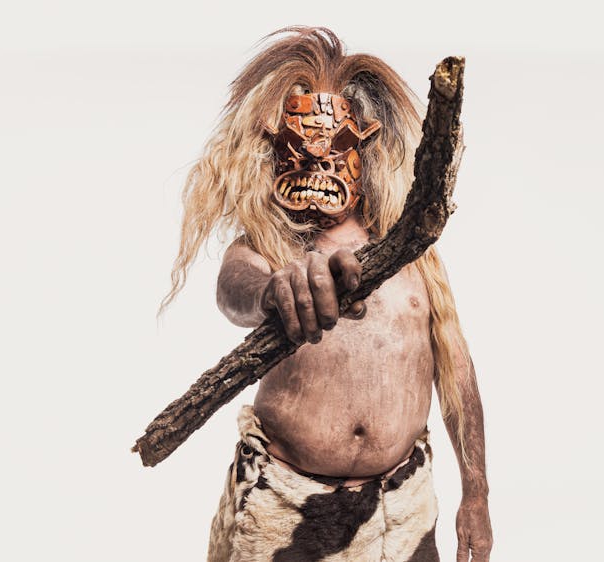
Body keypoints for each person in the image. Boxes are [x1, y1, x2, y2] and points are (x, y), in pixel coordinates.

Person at [162, 27, 492, 562]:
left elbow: (457, 372)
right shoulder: (269, 245)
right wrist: (274, 291)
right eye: (301, 151)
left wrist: (476, 492)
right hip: (285, 508)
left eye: (333, 151)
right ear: (273, 149)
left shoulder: (413, 253)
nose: (318, 168)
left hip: (399, 512)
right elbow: (232, 291)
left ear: (364, 146)